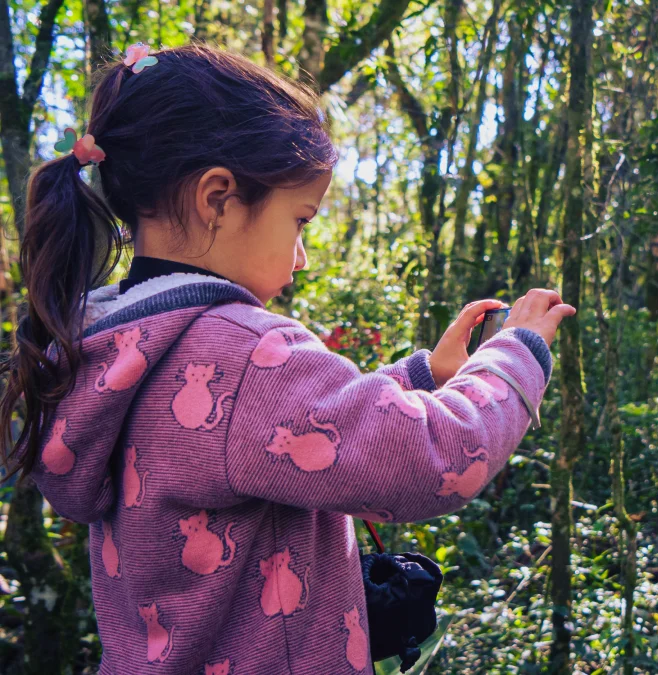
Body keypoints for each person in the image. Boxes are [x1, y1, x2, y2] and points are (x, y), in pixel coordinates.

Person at [0, 42, 574, 674]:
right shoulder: (244, 352)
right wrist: (516, 354)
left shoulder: (106, 350)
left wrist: (420, 378)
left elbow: (267, 435)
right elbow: (432, 458)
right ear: (217, 197)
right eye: (300, 220)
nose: (301, 257)